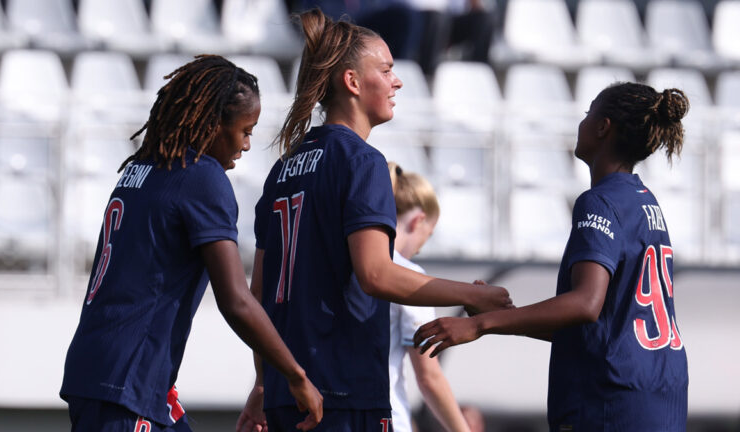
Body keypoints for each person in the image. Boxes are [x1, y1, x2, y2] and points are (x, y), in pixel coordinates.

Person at [237, 8, 512, 432]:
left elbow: (259, 296)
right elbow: (376, 274)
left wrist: (262, 385)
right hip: (343, 396)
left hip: (286, 396)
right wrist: (471, 297)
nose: (397, 80)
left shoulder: (282, 170)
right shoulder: (362, 162)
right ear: (352, 82)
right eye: (386, 69)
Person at [60, 55, 322, 432]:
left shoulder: (140, 168)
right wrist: (295, 374)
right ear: (214, 124)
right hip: (126, 380)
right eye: (245, 130)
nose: (247, 145)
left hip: (111, 371)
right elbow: (235, 299)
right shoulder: (202, 177)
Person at [414, 82, 690, 431]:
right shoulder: (646, 202)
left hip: (611, 402)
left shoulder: (600, 202)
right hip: (660, 396)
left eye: (589, 112)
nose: (583, 120)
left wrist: (478, 324)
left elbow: (585, 304)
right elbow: (603, 329)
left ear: (603, 127)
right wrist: (506, 318)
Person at [386, 162, 469, 432]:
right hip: (385, 419)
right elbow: (429, 376)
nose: (420, 249)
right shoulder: (408, 275)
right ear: (418, 220)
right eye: (426, 237)